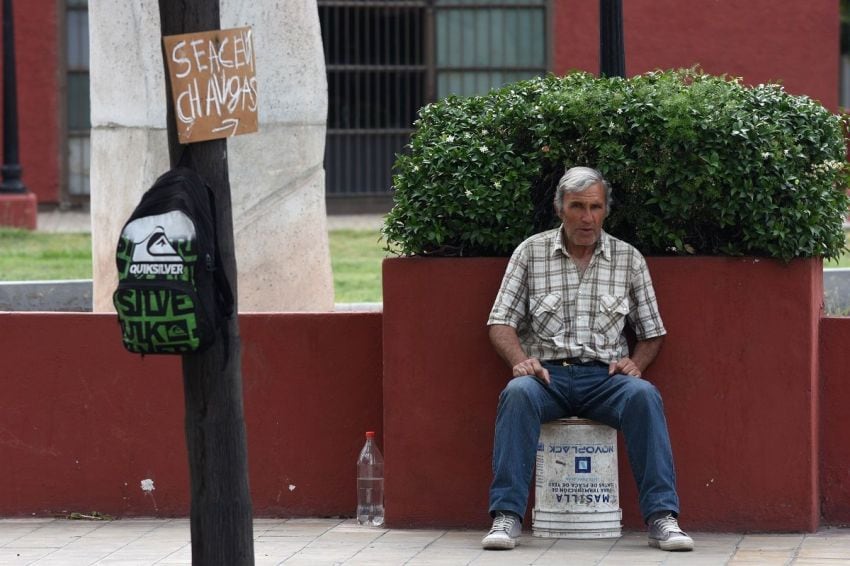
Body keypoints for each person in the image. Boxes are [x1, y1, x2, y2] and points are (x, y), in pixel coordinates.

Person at [481, 166, 694, 552]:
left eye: (595, 207)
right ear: (560, 208)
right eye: (577, 206)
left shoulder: (627, 259)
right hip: (547, 377)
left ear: (606, 211)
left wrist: (637, 363)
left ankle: (663, 518)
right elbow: (500, 323)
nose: (586, 217)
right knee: (516, 394)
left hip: (606, 380)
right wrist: (520, 360)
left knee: (644, 395)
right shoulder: (531, 252)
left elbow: (653, 332)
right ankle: (506, 517)